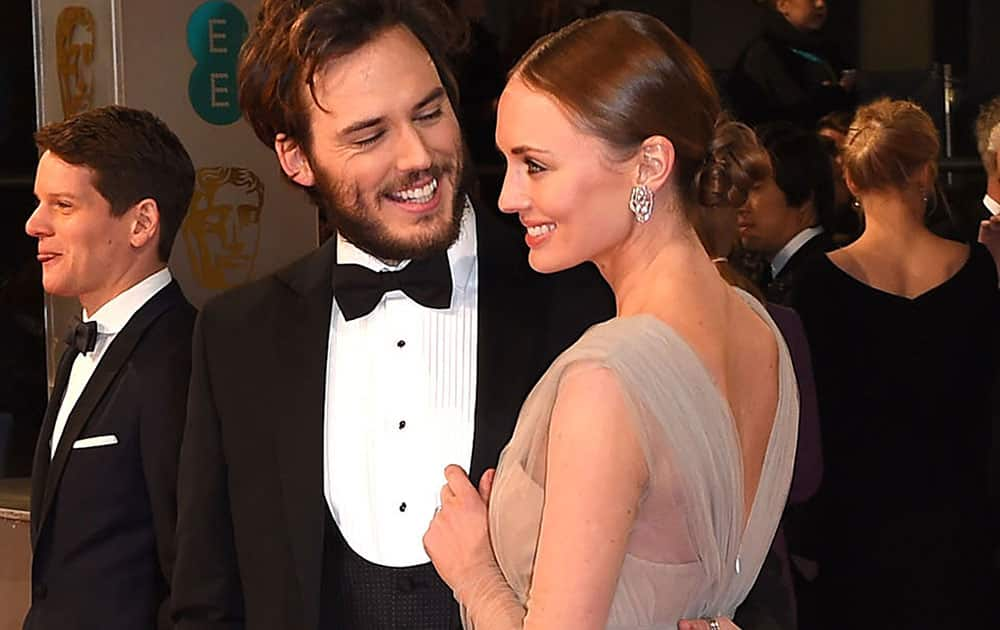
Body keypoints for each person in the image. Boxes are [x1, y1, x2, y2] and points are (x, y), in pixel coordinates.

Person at [423, 11, 798, 629]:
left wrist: (477, 574)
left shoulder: (610, 382)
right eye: (508, 163)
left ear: (650, 164)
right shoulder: (762, 334)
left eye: (536, 165)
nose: (508, 197)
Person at [790, 99, 999, 629]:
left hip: (850, 528)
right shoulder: (977, 272)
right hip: (961, 527)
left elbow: (806, 421)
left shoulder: (818, 283)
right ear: (927, 171)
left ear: (852, 182)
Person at [23, 105, 196, 630]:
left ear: (142, 222)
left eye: (63, 205)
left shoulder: (180, 358)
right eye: (39, 203)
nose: (35, 225)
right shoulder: (78, 348)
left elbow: (191, 576)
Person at [736, 122, 835, 304]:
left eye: (755, 188)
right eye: (740, 189)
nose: (741, 204)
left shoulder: (818, 281)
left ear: (803, 197)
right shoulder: (776, 273)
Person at [727, 0, 854, 128]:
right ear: (783, 5)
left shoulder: (825, 49)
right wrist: (834, 95)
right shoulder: (763, 55)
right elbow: (787, 116)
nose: (820, 4)